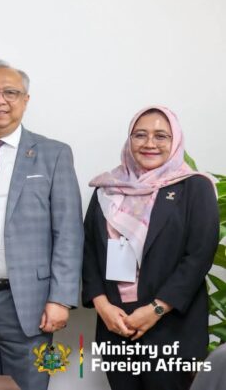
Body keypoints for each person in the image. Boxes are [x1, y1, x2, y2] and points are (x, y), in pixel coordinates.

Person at [0, 60, 83, 390]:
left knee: (31, 385)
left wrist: (60, 298)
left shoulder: (53, 154)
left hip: (30, 302)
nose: (0, 100)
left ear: (25, 100)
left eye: (11, 92)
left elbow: (68, 231)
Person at [83, 106, 219, 390]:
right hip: (116, 324)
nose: (149, 143)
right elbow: (89, 252)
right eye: (140, 135)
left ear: (175, 141)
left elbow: (198, 256)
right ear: (129, 139)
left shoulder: (194, 187)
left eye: (161, 136)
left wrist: (156, 309)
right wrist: (102, 304)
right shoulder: (106, 189)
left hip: (170, 326)